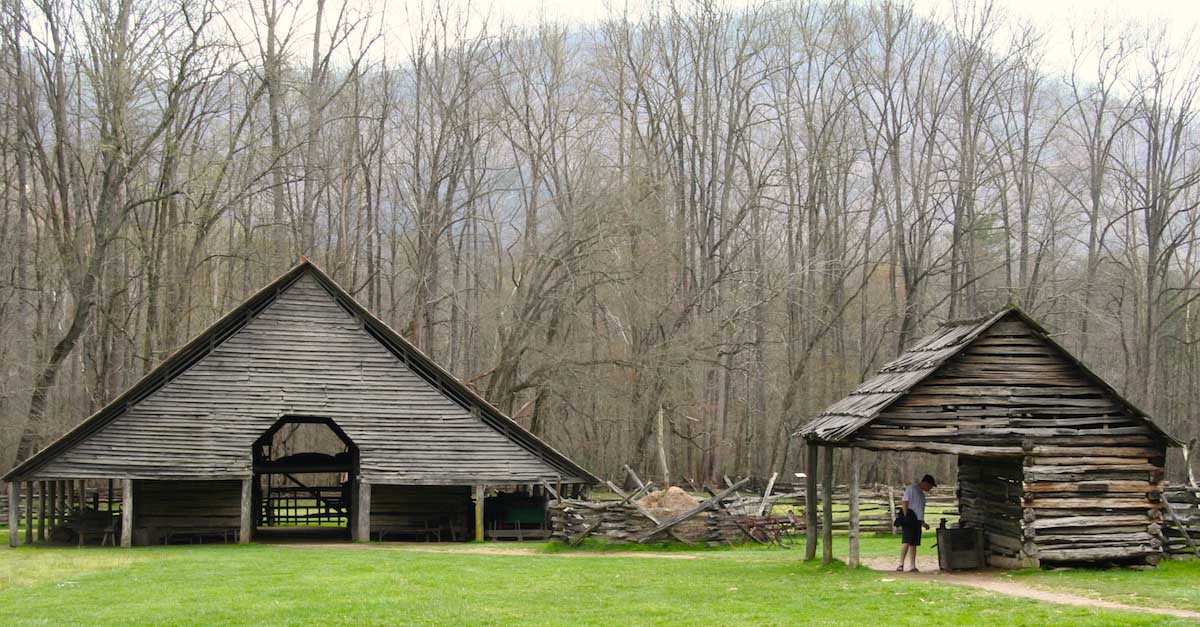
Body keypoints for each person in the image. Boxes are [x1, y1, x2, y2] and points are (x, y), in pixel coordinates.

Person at [896, 474, 935, 572]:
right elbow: (905, 502)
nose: (930, 488)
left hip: (917, 520)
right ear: (925, 483)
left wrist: (922, 522)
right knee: (906, 541)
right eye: (930, 486)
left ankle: (912, 566)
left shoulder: (921, 494)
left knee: (913, 543)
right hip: (910, 517)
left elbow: (919, 510)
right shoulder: (911, 488)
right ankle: (900, 564)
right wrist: (905, 516)